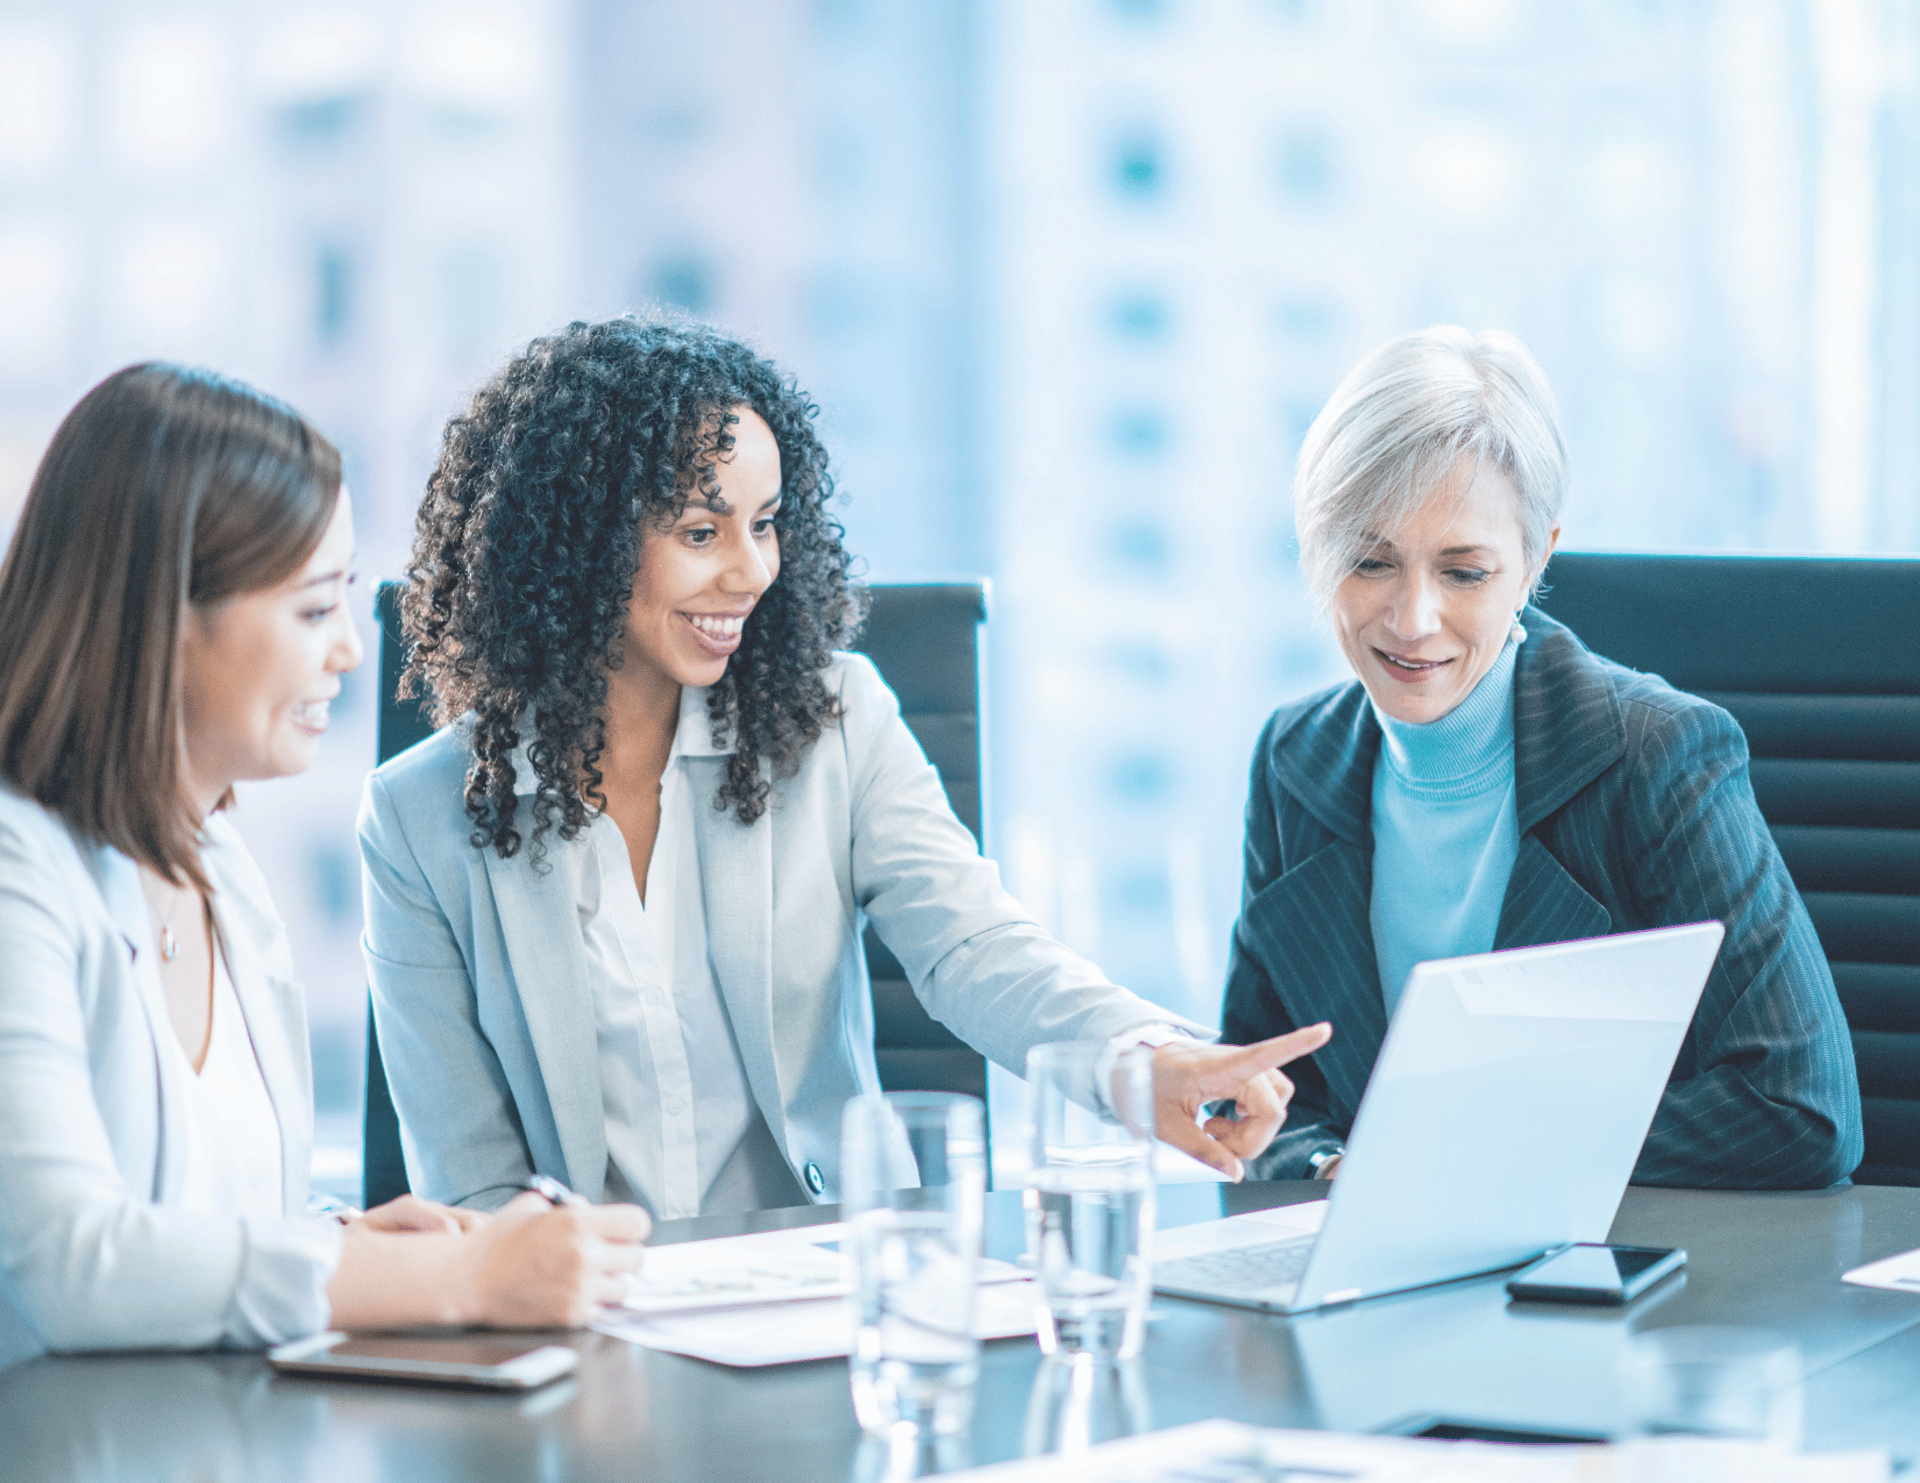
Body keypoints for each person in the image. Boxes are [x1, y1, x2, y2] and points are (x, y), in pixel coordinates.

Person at [359, 315, 1330, 1219]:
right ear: (578, 547)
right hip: (590, 1322)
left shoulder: (832, 720)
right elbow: (472, 1186)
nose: (751, 571)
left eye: (767, 522)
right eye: (702, 532)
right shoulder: (418, 821)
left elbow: (973, 946)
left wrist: (1141, 1060)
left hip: (827, 1276)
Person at [0, 364, 648, 1366]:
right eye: (312, 611)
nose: (351, 652)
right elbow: (65, 1260)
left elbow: (215, 1215)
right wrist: (457, 1280)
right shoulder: (20, 871)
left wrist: (339, 1240)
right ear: (160, 622)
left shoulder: (214, 856)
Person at [1222, 326, 1862, 1190]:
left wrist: (1474, 1159)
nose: (1412, 619)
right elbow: (1266, 1091)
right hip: (1374, 1283)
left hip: (1618, 1286)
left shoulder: (1654, 757)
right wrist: (1334, 1165)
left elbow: (1801, 1109)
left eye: (1465, 572)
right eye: (1371, 561)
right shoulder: (1294, 762)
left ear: (1533, 563)